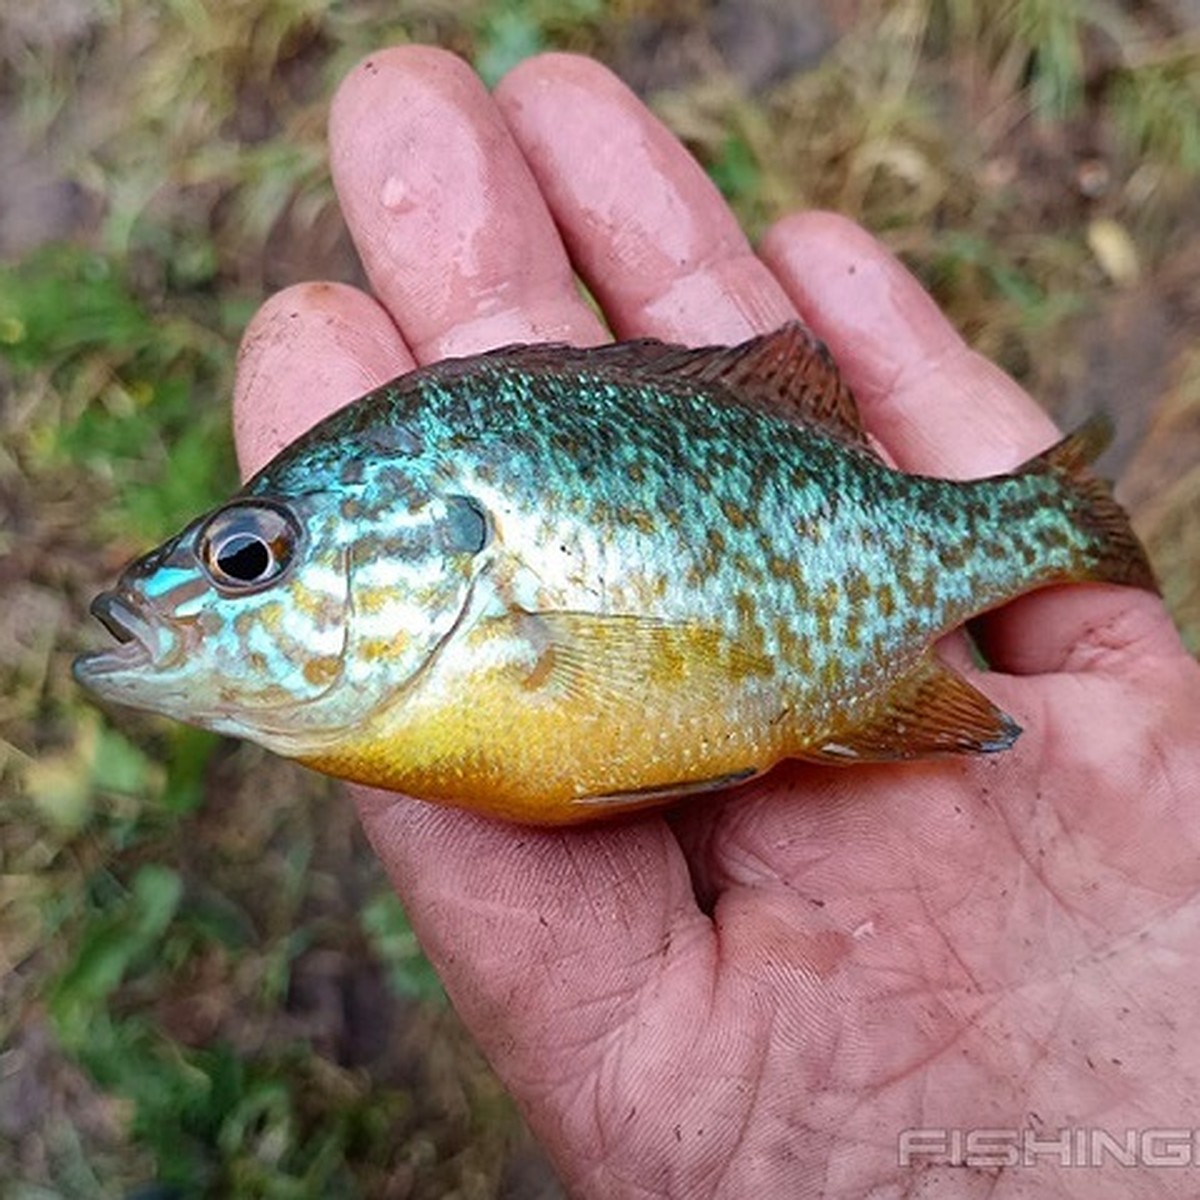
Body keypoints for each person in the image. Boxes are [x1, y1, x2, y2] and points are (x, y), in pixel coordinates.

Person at [231, 47, 1200, 1198]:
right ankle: (1053, 515)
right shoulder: (414, 685)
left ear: (430, 536)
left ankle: (1054, 518)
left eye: (251, 560)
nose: (223, 590)